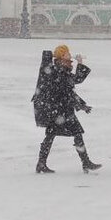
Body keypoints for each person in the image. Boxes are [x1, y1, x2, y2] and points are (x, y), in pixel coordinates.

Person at [32, 44, 101, 174]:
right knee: (74, 133)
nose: (70, 55)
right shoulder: (59, 70)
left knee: (52, 135)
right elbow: (71, 87)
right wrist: (80, 105)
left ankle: (41, 163)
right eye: (67, 53)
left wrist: (81, 105)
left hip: (58, 110)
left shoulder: (61, 68)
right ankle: (85, 163)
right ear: (62, 56)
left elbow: (70, 88)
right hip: (59, 110)